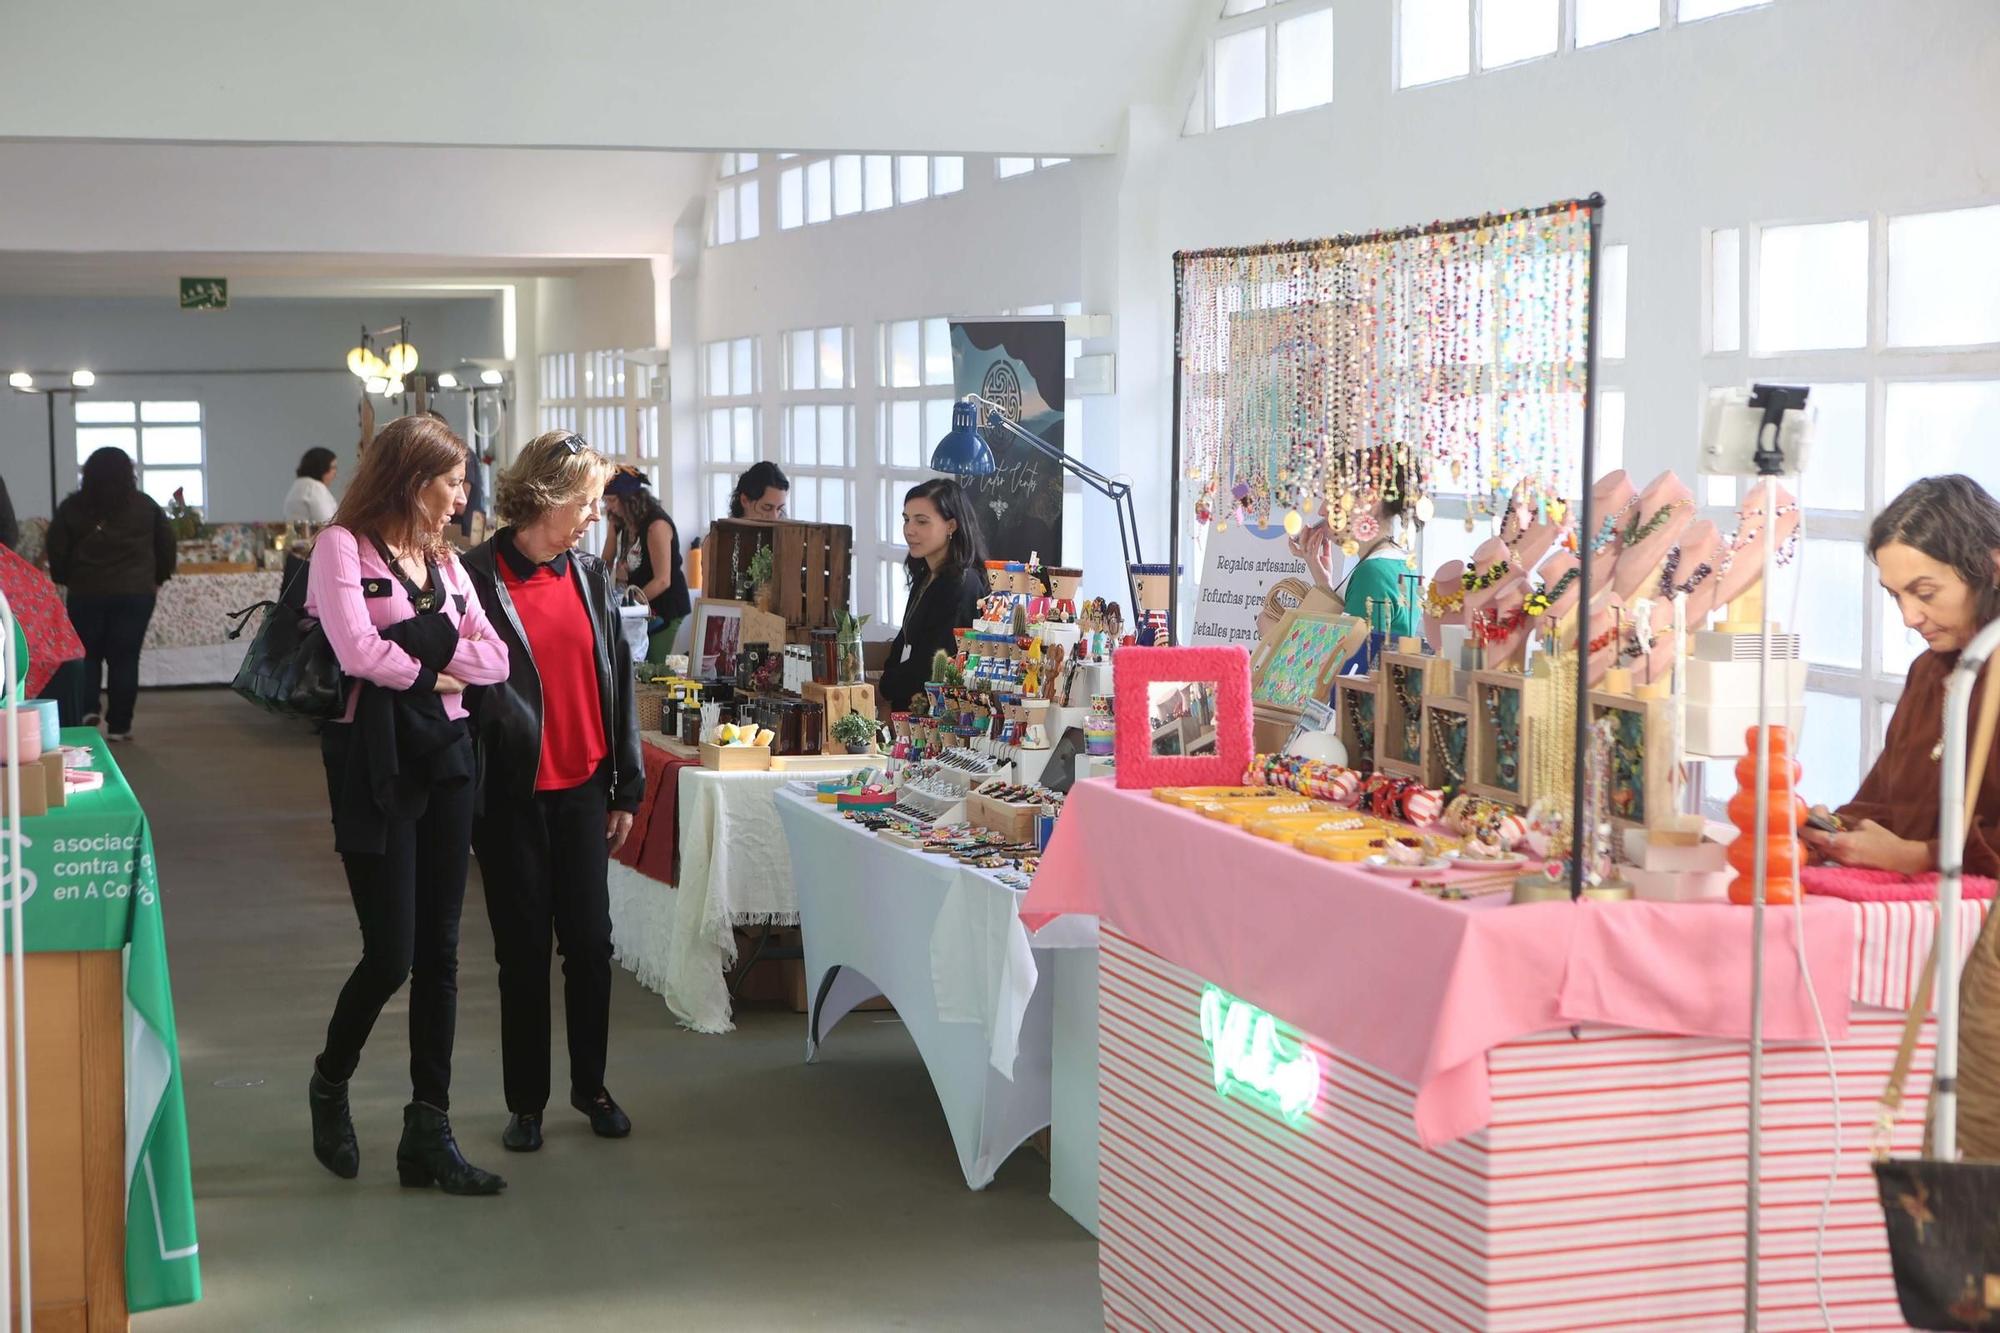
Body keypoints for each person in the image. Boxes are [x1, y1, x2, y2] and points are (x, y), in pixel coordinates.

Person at [304, 414, 512, 1197]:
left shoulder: (448, 564)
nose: (462, 498)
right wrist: (436, 667)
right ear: (411, 478)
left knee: (443, 954)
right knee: (392, 951)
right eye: (453, 481)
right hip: (374, 761)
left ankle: (430, 1128)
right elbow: (355, 651)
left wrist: (426, 655)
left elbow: (492, 656)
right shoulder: (342, 548)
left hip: (448, 757)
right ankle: (330, 1080)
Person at [464, 432, 643, 1153]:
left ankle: (590, 1085)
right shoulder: (476, 577)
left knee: (591, 947)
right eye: (586, 501)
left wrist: (625, 784)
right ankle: (527, 1101)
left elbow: (619, 677)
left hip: (583, 793)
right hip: (510, 797)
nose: (595, 514)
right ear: (544, 497)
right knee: (521, 953)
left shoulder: (590, 573)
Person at [1804, 475, 2000, 876]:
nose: (1909, 618)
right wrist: (1837, 829)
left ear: (1993, 568)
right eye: (1896, 595)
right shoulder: (1929, 671)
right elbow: (1886, 805)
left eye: (1925, 593)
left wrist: (1922, 856)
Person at [45, 447, 176, 741]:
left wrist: (66, 578)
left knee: (87, 656)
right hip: (136, 593)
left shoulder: (72, 507)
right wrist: (158, 578)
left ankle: (87, 709)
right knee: (126, 658)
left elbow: (56, 547)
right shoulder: (145, 506)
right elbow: (167, 545)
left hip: (86, 591)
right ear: (129, 474)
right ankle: (120, 726)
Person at [877, 478, 988, 712]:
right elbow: (904, 640)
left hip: (939, 714)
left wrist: (888, 684)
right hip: (908, 705)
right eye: (906, 520)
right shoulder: (925, 574)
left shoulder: (962, 584)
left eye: (922, 521)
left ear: (951, 526)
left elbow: (937, 658)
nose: (909, 530)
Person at [1290, 453, 1420, 641]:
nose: (1322, 509)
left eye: (1333, 496)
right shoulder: (1398, 562)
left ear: (1369, 498)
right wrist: (1323, 582)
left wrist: (1269, 630)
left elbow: (1342, 661)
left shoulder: (1372, 573)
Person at [600, 467, 691, 664]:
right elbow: (605, 561)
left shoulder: (656, 526)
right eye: (605, 501)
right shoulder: (618, 521)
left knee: (652, 667)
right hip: (635, 607)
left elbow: (663, 580)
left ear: (631, 499)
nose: (608, 507)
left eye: (613, 500)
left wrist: (627, 605)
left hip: (665, 606)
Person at [286, 448, 340, 525]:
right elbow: (327, 522)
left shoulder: (298, 485)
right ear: (322, 467)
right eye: (333, 468)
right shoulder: (314, 488)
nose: (335, 474)